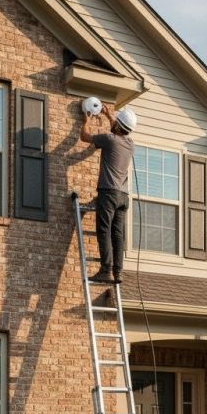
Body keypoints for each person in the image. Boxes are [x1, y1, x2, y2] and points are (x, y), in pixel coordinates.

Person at [79, 103, 137, 284]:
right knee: (117, 234)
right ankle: (118, 272)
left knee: (103, 230)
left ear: (118, 126)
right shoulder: (130, 144)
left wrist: (86, 121)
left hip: (109, 193)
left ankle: (105, 270)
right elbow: (118, 128)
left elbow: (84, 137)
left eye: (116, 122)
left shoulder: (109, 139)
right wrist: (108, 115)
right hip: (123, 197)